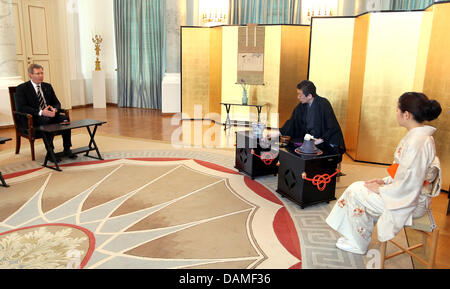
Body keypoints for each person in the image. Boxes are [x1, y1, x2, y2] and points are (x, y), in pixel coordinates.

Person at [326, 92, 442, 255]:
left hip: (411, 203)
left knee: (355, 192)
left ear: (406, 114)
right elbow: (404, 174)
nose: (396, 113)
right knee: (360, 186)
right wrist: (383, 181)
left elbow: (409, 184)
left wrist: (381, 190)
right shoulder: (420, 137)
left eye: (397, 110)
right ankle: (357, 237)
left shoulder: (417, 142)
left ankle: (358, 243)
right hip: (407, 194)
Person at [15, 64, 77, 161]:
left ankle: (67, 149)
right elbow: (21, 108)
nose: (41, 76)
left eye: (42, 73)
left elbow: (56, 103)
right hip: (34, 117)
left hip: (50, 115)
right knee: (46, 122)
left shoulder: (47, 86)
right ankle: (50, 152)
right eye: (38, 73)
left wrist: (54, 109)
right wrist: (41, 112)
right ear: (30, 75)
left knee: (65, 119)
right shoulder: (22, 88)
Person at [280, 80, 346, 153]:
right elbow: (292, 122)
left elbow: (332, 126)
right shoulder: (301, 106)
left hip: (325, 140)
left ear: (310, 96)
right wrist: (280, 132)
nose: (298, 97)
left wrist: (320, 140)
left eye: (300, 95)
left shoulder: (323, 104)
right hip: (311, 140)